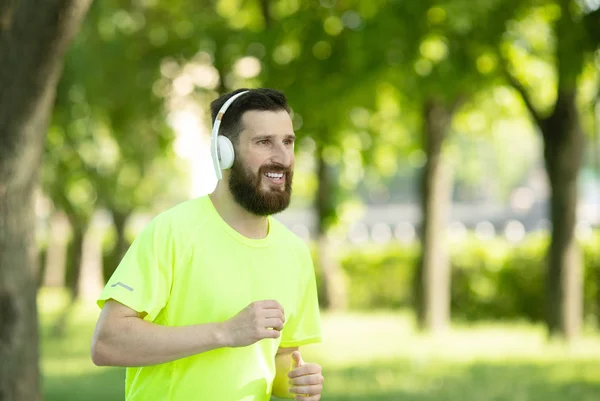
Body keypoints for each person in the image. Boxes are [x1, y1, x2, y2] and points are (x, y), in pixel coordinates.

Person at [91, 88, 325, 401]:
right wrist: (224, 332)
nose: (282, 158)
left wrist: (296, 382)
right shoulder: (171, 232)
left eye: (288, 142)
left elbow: (282, 354)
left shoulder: (294, 252)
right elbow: (107, 342)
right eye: (264, 142)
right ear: (223, 152)